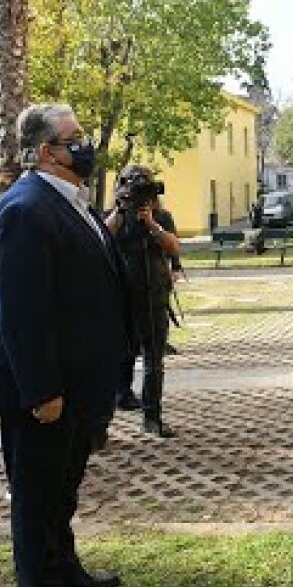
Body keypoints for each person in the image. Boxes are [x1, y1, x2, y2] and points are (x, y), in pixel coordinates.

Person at [0, 103, 129, 587]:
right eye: (73, 137)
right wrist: (43, 390)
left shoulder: (71, 201)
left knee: (62, 492)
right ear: (44, 152)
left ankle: (67, 573)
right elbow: (20, 313)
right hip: (43, 391)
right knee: (36, 499)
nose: (85, 146)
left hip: (78, 384)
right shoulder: (24, 209)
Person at [106, 166, 182, 438]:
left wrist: (152, 224)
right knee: (115, 356)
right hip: (119, 298)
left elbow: (174, 247)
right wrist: (120, 209)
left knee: (154, 360)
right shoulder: (114, 216)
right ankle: (114, 405)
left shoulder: (162, 216)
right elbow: (101, 239)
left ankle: (152, 416)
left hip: (154, 296)